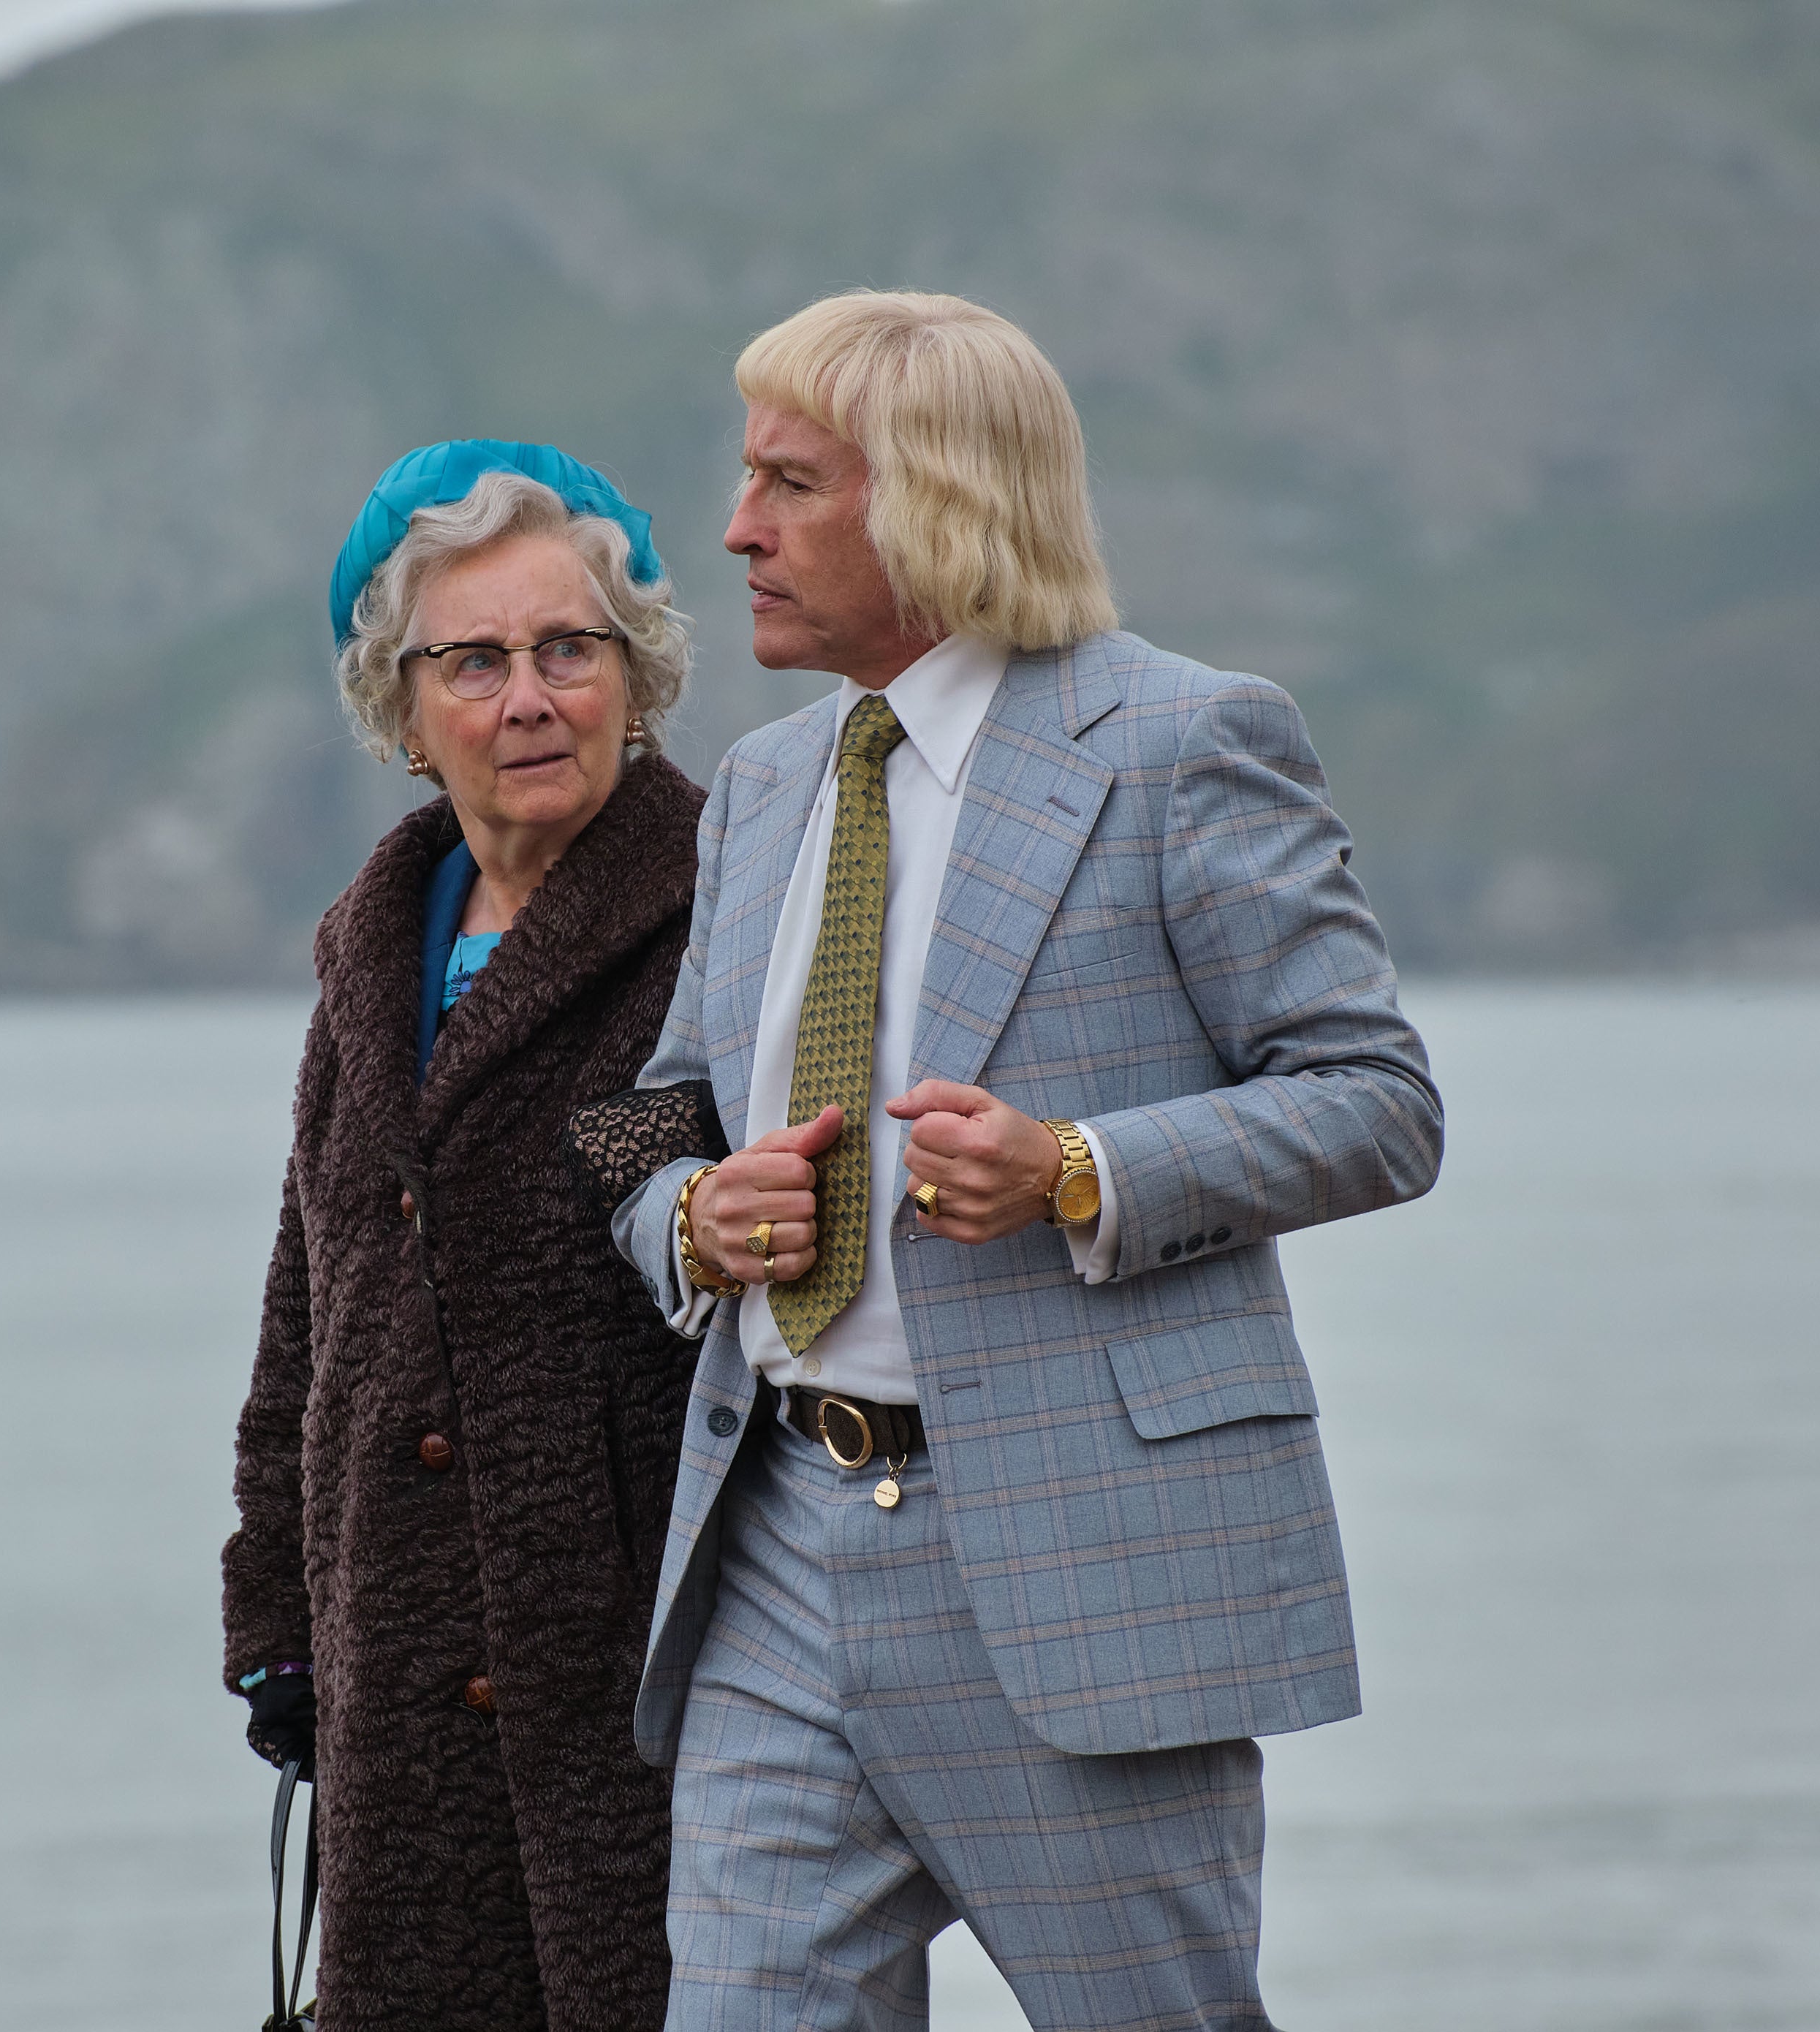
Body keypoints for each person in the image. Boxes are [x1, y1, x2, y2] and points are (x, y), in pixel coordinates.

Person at [602, 292, 1444, 2029]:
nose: (737, 528)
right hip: (766, 1545)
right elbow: (649, 1111)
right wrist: (688, 1208)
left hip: (1079, 1575)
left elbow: (1377, 1100)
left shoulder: (1183, 742)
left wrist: (1078, 1166)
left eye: (787, 483)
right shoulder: (759, 785)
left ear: (935, 503)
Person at [221, 441, 710, 2030]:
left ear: (636, 677)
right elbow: (312, 1309)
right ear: (403, 712)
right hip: (400, 1671)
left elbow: (679, 1164)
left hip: (642, 1663)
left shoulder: (728, 907)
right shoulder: (372, 951)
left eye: (571, 650)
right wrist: (274, 1623)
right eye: (476, 661)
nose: (529, 697)